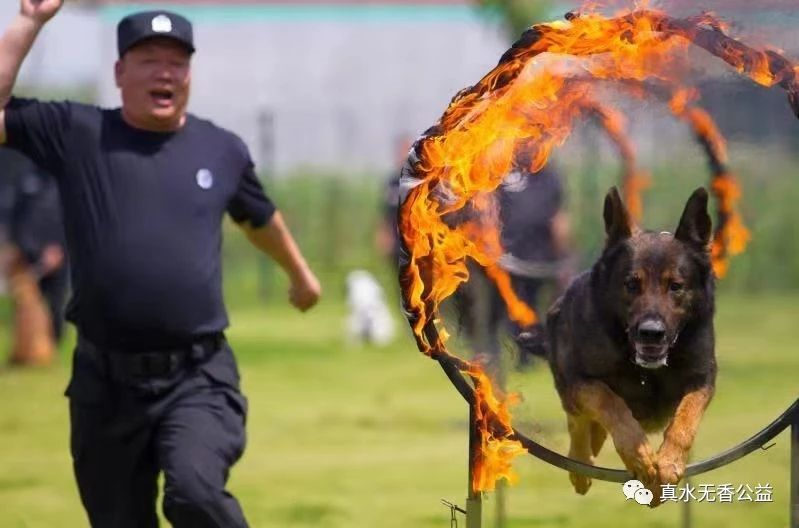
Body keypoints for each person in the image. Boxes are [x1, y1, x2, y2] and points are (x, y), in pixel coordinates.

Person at [0, 3, 321, 527]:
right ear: (119, 73)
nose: (165, 72)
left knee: (194, 494)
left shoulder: (221, 149)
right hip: (104, 383)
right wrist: (28, 22)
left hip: (196, 377)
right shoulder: (77, 132)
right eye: (149, 59)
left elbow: (259, 218)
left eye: (177, 61)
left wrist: (300, 275)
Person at [0, 146, 68, 365]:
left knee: (55, 305)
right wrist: (11, 246)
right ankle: (26, 352)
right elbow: (12, 215)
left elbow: (67, 220)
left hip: (56, 255)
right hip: (27, 253)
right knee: (26, 306)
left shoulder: (63, 182)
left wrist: (58, 249)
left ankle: (52, 348)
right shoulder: (25, 179)